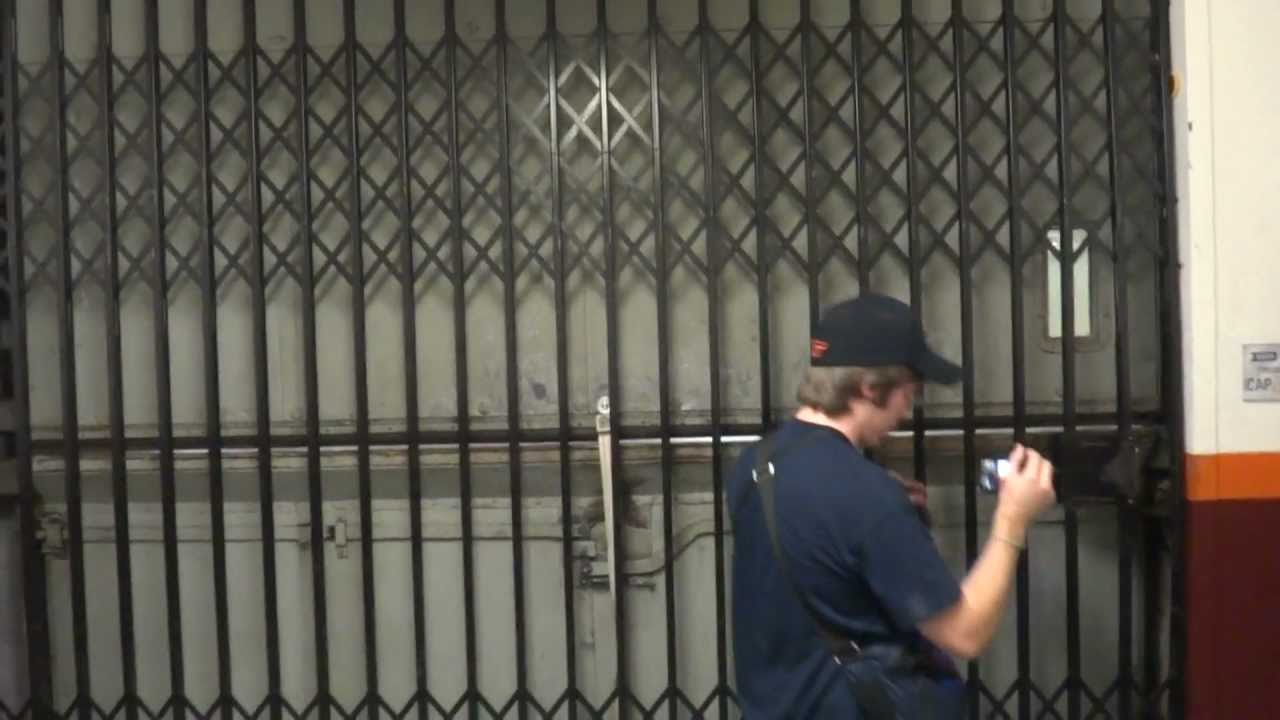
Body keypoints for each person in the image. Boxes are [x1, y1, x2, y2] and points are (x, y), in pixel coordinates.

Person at [728, 294, 1057, 718]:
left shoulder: (754, 464)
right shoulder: (867, 495)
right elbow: (966, 633)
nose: (908, 410)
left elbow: (814, 563)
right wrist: (1012, 520)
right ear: (869, 387)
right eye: (910, 393)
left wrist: (884, 520)